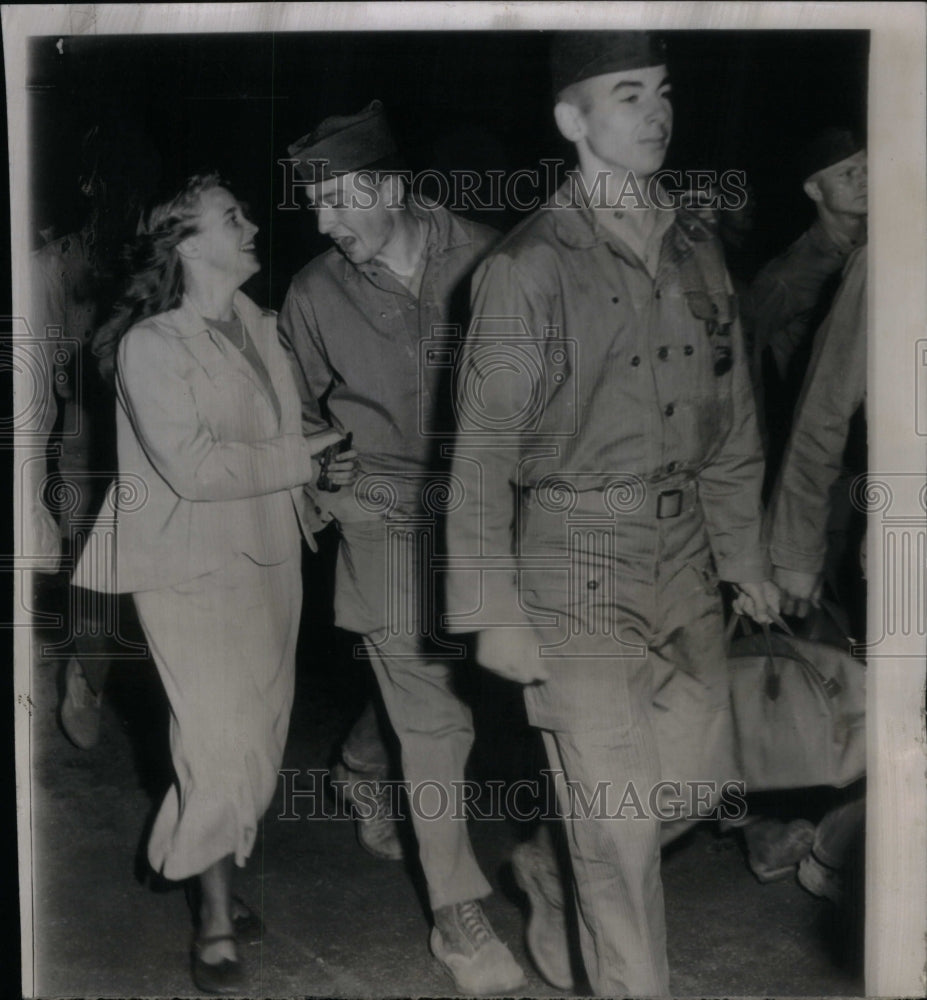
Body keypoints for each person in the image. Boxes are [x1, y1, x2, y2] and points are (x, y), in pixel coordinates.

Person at [444, 32, 779, 996]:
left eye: (662, 92)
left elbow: (732, 414)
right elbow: (481, 454)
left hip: (681, 552)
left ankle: (558, 861)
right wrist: (492, 610)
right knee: (621, 823)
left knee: (695, 784)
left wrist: (744, 552)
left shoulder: (694, 243)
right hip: (571, 554)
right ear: (571, 121)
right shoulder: (526, 268)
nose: (655, 112)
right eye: (627, 95)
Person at [72, 173, 349, 993]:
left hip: (269, 556)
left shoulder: (261, 328)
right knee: (218, 744)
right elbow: (193, 469)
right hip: (188, 571)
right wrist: (309, 453)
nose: (253, 224)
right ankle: (214, 913)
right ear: (190, 245)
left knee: (260, 740)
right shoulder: (150, 345)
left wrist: (327, 472)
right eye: (234, 218)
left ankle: (205, 855)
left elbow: (285, 436)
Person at [278, 102, 524, 994]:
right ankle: (459, 914)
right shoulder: (312, 294)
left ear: (390, 187)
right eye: (312, 203)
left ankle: (360, 758)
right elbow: (297, 419)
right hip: (381, 519)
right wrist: (325, 476)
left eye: (338, 199)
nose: (322, 222)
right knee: (434, 718)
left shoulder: (498, 257)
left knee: (489, 687)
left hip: (491, 518)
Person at [31, 121, 160, 749]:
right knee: (94, 577)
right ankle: (86, 671)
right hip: (87, 450)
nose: (128, 202)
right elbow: (34, 386)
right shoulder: (57, 267)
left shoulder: (162, 258)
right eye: (115, 185)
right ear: (89, 184)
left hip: (159, 454)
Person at [766, 245, 868, 902]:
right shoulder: (892, 259)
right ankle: (837, 849)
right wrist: (795, 549)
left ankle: (840, 845)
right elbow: (824, 408)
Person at [748, 128, 867, 478]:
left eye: (867, 171)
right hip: (821, 455)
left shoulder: (883, 249)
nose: (863, 181)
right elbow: (746, 360)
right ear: (815, 190)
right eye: (847, 174)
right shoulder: (787, 276)